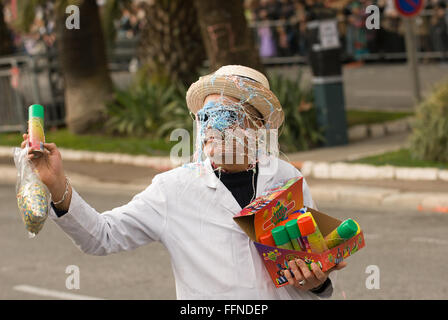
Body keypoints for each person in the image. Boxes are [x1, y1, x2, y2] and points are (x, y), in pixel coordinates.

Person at [20, 65, 346, 299]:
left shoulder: (286, 178)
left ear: (256, 127)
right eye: (204, 118)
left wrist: (315, 282)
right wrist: (56, 183)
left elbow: (308, 268)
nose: (211, 128)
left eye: (225, 116)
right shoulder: (173, 189)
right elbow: (101, 237)